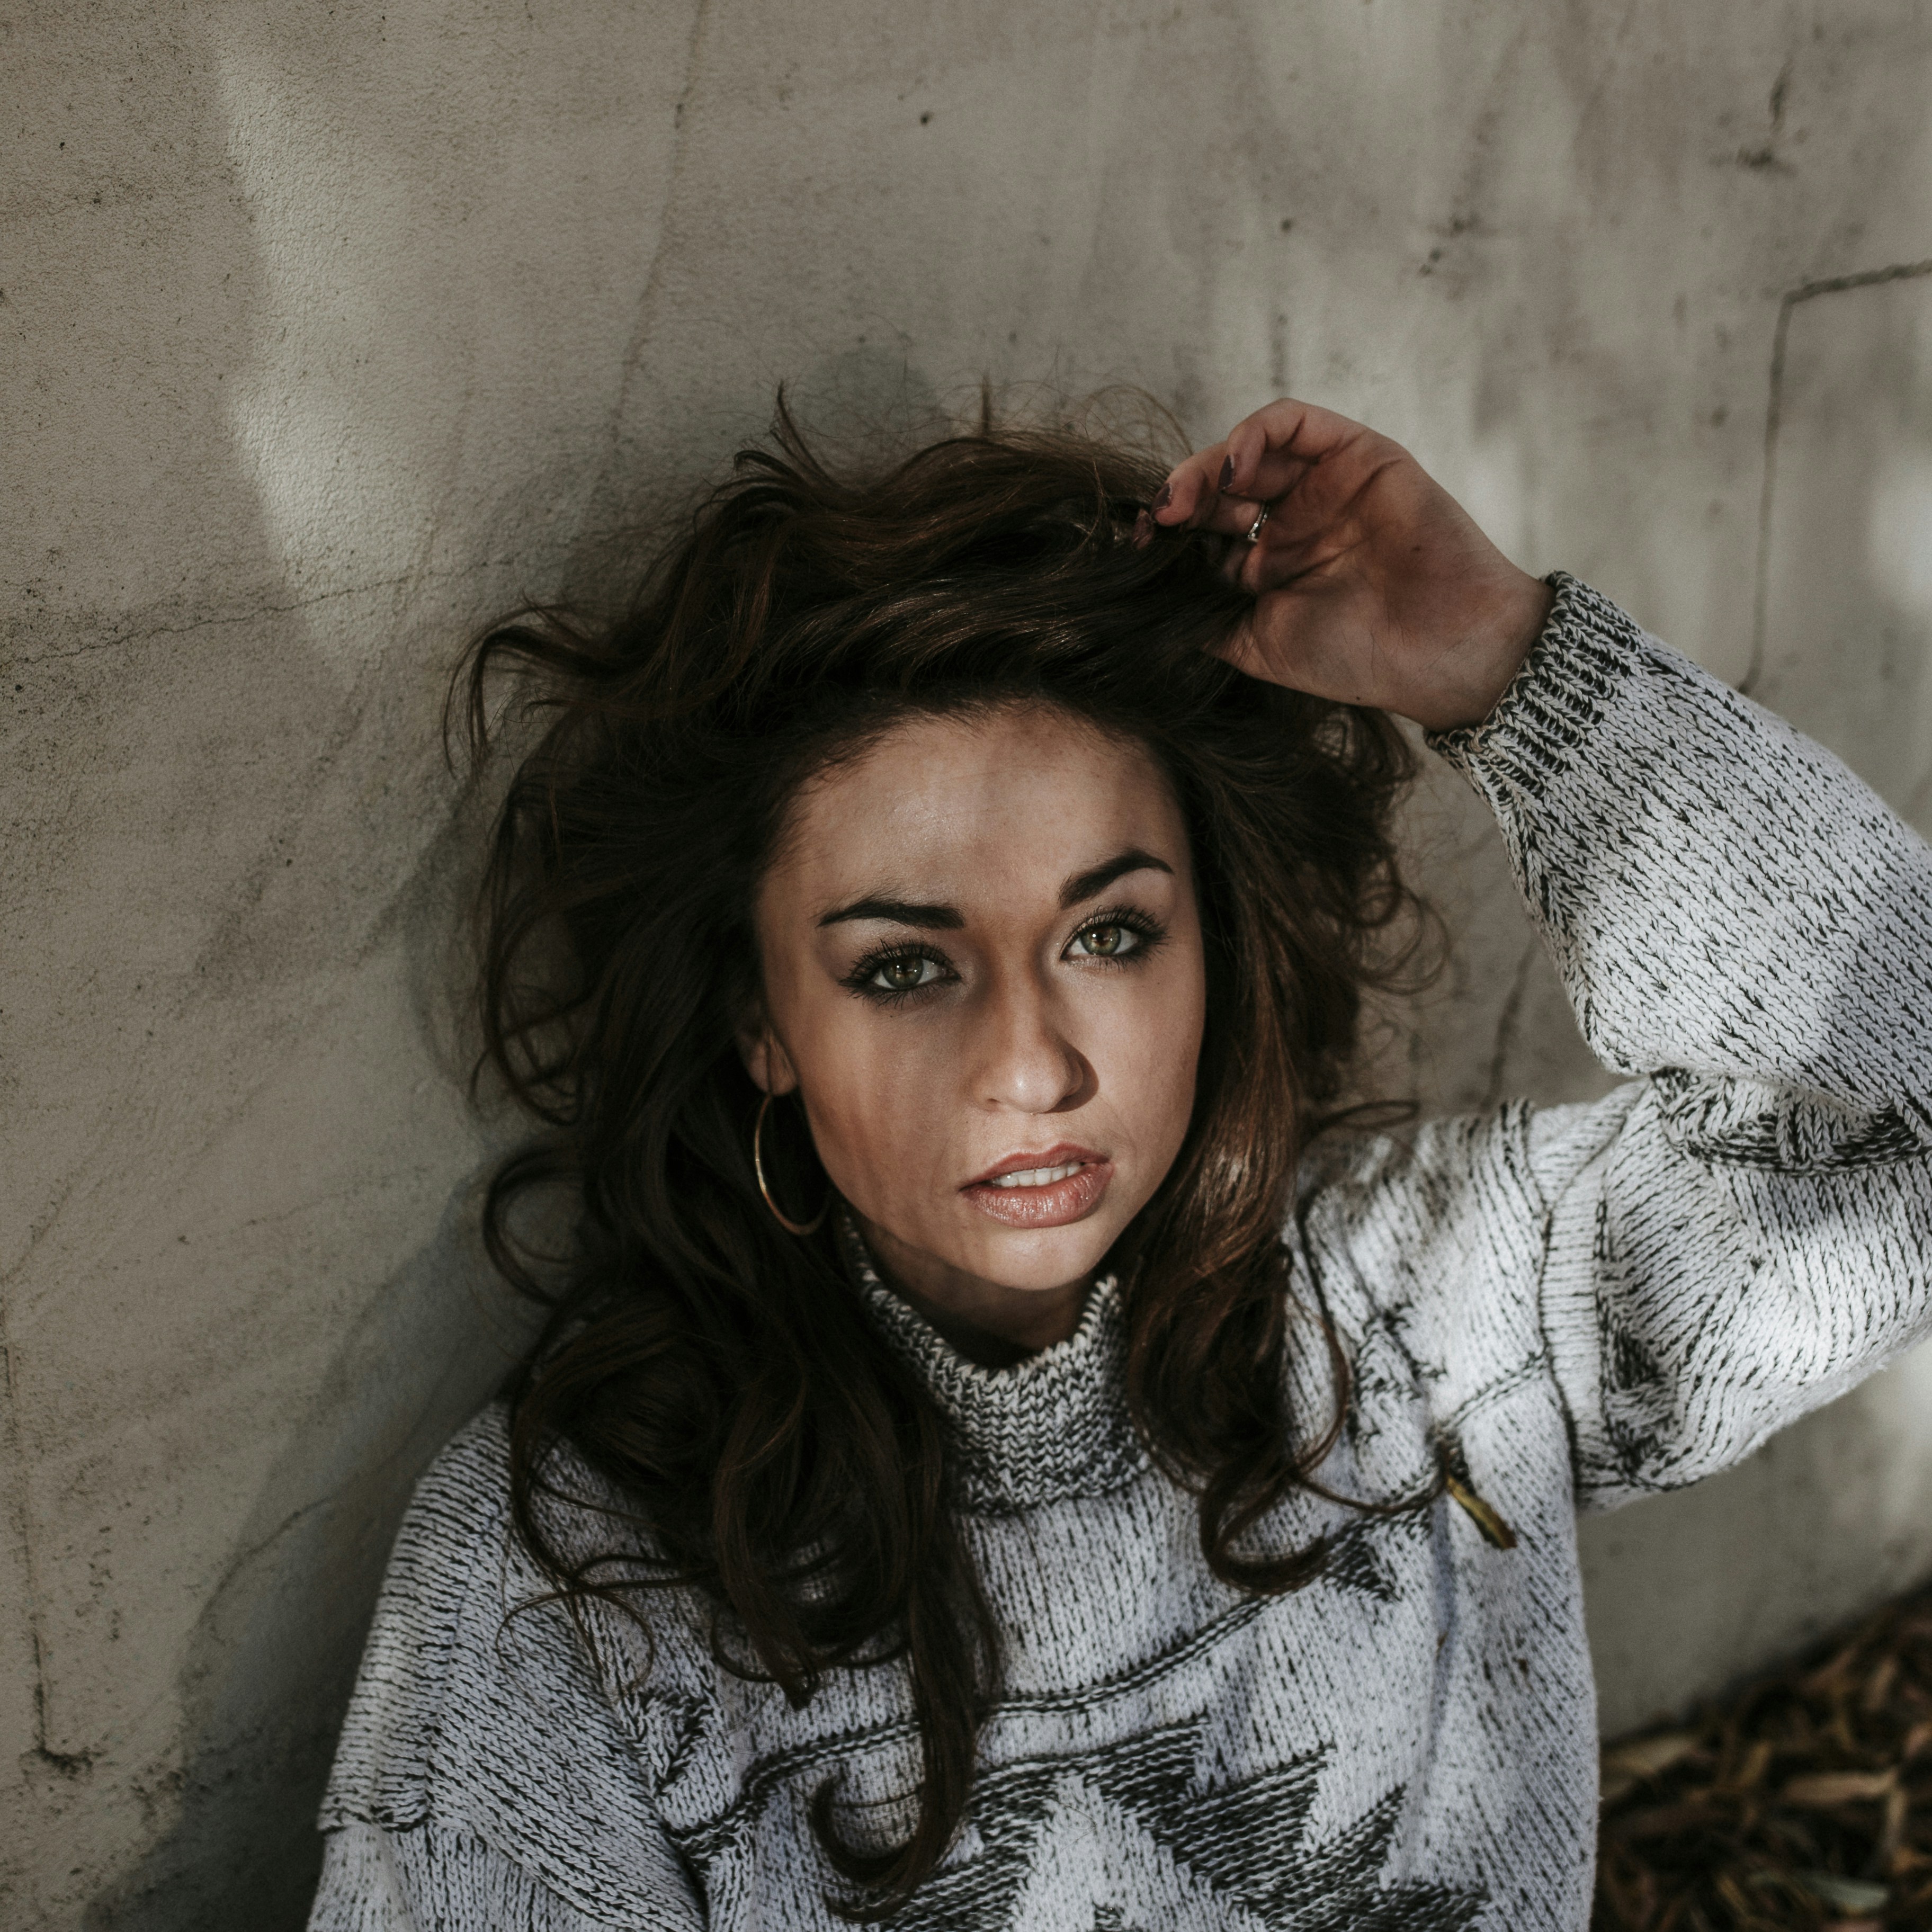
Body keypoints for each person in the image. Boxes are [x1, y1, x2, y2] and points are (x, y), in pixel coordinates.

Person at [307, 397, 1932, 1930]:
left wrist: (1513, 672)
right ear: (761, 1022)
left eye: (1109, 933)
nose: (1034, 1067)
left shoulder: (1429, 1311)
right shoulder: (578, 1586)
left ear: (1211, 948)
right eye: (902, 965)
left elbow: (1900, 1123)